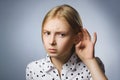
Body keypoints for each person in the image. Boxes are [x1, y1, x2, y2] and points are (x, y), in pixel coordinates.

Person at [26, 4, 108, 80]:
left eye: (61, 35)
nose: (51, 42)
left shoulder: (93, 65)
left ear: (76, 38)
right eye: (47, 33)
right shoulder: (33, 69)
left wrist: (90, 61)